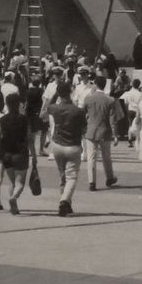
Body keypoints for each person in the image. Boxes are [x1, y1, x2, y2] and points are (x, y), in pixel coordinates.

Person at [44, 82, 87, 217]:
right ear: (70, 92)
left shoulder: (54, 108)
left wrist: (56, 93)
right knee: (72, 176)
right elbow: (84, 129)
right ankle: (64, 201)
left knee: (62, 175)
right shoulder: (78, 111)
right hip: (73, 146)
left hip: (57, 145)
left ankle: (66, 203)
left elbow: (45, 110)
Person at [0, 93, 34, 214]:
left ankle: (13, 208)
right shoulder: (24, 119)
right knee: (20, 183)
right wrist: (34, 155)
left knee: (12, 182)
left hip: (6, 154)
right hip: (20, 153)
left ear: (7, 104)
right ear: (19, 104)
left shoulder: (2, 119)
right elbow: (30, 139)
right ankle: (14, 198)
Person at [82, 76, 119, 190]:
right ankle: (109, 177)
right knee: (106, 156)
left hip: (91, 131)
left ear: (96, 84)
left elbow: (83, 114)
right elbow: (113, 119)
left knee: (91, 157)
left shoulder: (88, 98)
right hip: (105, 131)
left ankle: (92, 182)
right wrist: (116, 135)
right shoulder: (110, 100)